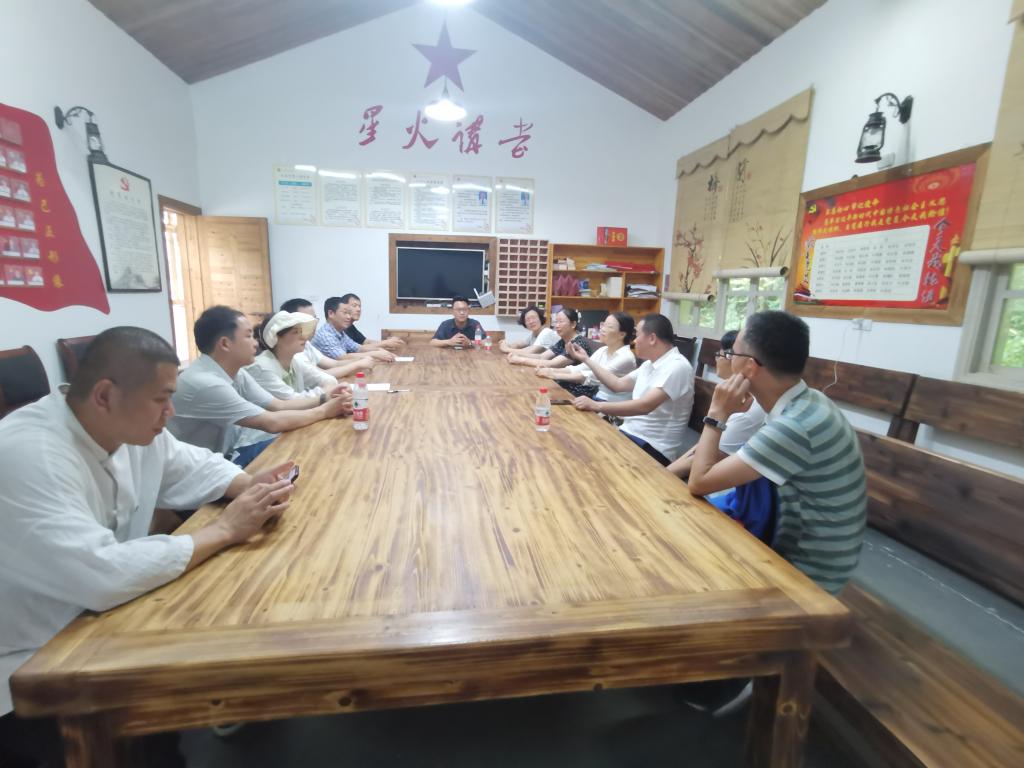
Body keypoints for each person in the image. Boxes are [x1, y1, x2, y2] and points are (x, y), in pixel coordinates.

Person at [0, 327, 295, 763]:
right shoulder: (29, 453)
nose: (170, 412)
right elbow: (100, 573)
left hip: (104, 625)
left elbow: (191, 464)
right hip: (31, 663)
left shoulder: (125, 425)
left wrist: (250, 485)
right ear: (105, 395)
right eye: (162, 399)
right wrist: (225, 529)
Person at [687, 310, 868, 595]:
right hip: (798, 547)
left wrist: (717, 414)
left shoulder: (795, 426)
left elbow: (699, 482)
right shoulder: (810, 400)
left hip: (807, 578)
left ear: (749, 366)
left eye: (732, 353)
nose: (727, 358)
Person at [169, 306, 352, 466]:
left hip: (219, 457)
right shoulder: (207, 383)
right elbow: (271, 422)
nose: (256, 343)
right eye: (248, 336)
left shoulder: (235, 371)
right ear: (225, 344)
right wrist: (325, 410)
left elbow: (278, 405)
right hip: (196, 471)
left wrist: (325, 398)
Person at [568, 313, 693, 466]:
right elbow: (617, 384)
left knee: (587, 456)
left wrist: (596, 405)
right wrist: (586, 360)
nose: (634, 341)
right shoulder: (649, 365)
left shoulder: (677, 366)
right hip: (629, 433)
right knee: (577, 441)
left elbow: (645, 406)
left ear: (652, 338)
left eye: (637, 335)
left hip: (652, 447)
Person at [668, 329, 766, 479]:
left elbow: (706, 464)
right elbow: (700, 448)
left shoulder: (751, 408)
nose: (718, 359)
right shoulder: (736, 396)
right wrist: (665, 471)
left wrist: (662, 475)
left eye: (723, 354)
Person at [248, 311, 348, 401]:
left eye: (301, 332)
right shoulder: (262, 367)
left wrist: (326, 392)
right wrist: (326, 393)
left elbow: (330, 380)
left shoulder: (296, 359)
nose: (304, 337)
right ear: (276, 337)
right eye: (295, 332)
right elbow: (292, 402)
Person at [536, 312, 636, 400]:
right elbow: (579, 369)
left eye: (609, 327)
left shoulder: (626, 357)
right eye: (603, 325)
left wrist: (553, 374)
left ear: (622, 334)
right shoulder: (603, 350)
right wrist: (550, 370)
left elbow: (592, 376)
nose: (602, 329)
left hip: (612, 405)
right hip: (598, 398)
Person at [279, 298, 375, 380]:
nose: (314, 324)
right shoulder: (294, 351)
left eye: (314, 319)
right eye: (307, 320)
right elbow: (322, 375)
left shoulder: (306, 344)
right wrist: (358, 364)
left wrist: (361, 360)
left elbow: (335, 364)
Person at [311, 297, 396, 362]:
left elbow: (359, 348)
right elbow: (342, 358)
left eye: (349, 313)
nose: (349, 317)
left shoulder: (340, 332)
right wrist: (375, 354)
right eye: (345, 313)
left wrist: (379, 351)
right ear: (331, 313)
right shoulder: (325, 335)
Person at [507, 307, 594, 369]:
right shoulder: (563, 341)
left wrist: (521, 360)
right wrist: (518, 355)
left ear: (573, 324)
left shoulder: (578, 343)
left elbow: (552, 364)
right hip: (558, 379)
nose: (557, 326)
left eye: (561, 322)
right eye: (556, 322)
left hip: (572, 387)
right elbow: (541, 357)